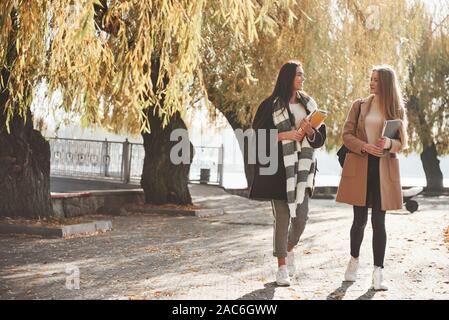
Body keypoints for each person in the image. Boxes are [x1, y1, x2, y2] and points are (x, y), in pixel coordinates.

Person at [249, 61, 327, 286]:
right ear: (287, 77)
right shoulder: (269, 105)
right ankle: (281, 267)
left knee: (301, 219)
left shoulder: (310, 104)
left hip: (303, 172)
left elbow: (320, 140)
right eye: (298, 75)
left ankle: (289, 248)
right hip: (278, 171)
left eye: (303, 74)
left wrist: (310, 131)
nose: (302, 78)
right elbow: (258, 137)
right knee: (282, 218)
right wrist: (286, 135)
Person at [336, 65, 409, 291]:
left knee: (379, 222)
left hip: (384, 171)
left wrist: (388, 143)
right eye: (371, 78)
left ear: (386, 83)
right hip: (361, 167)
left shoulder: (396, 109)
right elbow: (346, 136)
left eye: (376, 79)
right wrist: (365, 146)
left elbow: (402, 143)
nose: (372, 82)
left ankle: (378, 272)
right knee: (359, 221)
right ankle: (354, 260)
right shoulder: (358, 106)